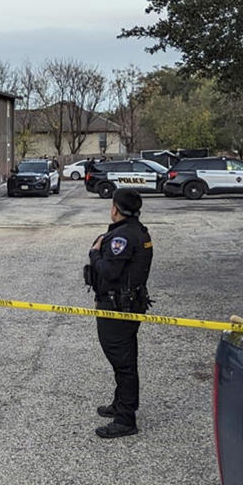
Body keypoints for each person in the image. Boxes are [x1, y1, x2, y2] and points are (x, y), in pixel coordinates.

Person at [86, 188, 153, 439]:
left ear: (116, 208)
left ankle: (125, 418)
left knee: (122, 361)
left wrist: (94, 253)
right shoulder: (138, 230)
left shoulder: (122, 237)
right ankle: (120, 403)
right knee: (124, 357)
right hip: (127, 305)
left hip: (116, 308)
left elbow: (109, 271)